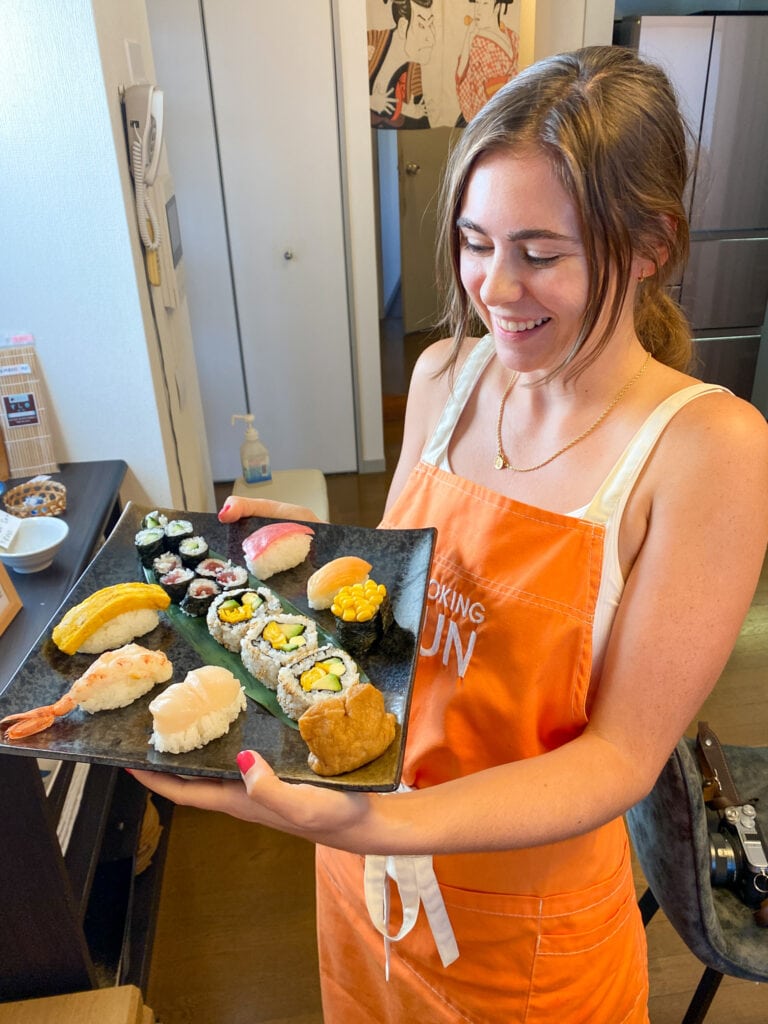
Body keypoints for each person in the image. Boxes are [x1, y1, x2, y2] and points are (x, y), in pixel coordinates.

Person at [133, 46, 768, 1022]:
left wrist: (370, 817)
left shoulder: (706, 449)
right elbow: (410, 604)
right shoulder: (446, 379)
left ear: (651, 244)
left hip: (528, 933)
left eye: (540, 252)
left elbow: (618, 760)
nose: (494, 288)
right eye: (475, 242)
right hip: (365, 887)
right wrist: (327, 554)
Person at [369, 0, 436, 128]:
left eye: (431, 25)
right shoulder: (371, 41)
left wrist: (410, 112)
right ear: (402, 26)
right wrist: (370, 102)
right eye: (422, 26)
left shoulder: (414, 68)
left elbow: (418, 117)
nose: (431, 38)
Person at [455, 0, 519, 125]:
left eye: (484, 3)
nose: (477, 10)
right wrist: (469, 36)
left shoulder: (513, 37)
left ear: (498, 7)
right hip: (485, 115)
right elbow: (461, 76)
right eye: (477, 3)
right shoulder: (476, 41)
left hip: (507, 111)